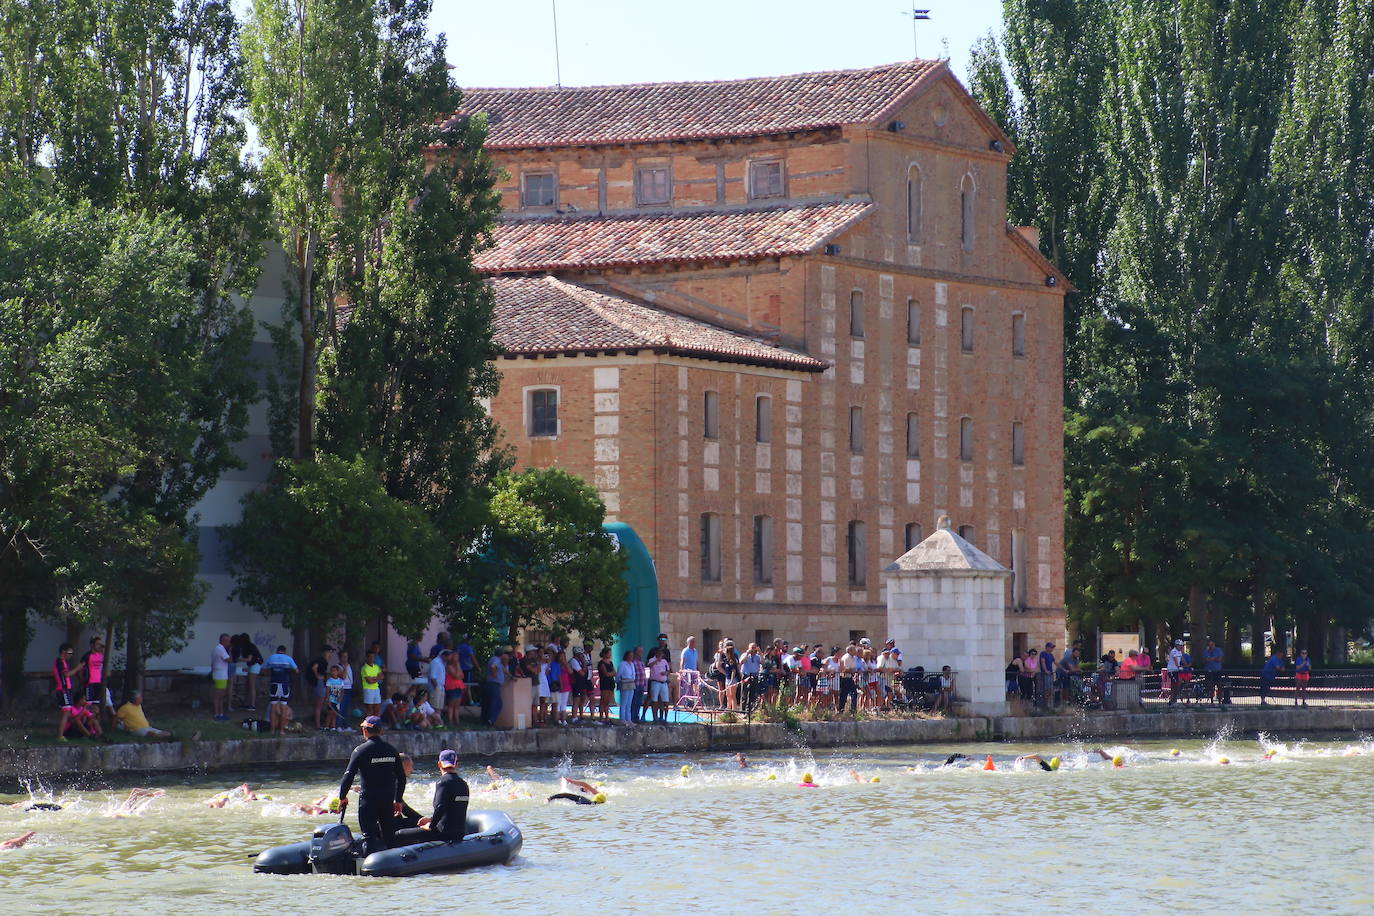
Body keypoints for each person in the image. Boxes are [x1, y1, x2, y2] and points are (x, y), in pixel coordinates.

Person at [337, 716, 406, 855]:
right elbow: (402, 777)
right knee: (389, 835)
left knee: (369, 837)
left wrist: (342, 796)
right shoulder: (391, 750)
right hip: (387, 800)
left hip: (368, 800)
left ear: (364, 731)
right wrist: (398, 800)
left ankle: (370, 871)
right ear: (381, 731)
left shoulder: (360, 751)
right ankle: (394, 868)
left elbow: (348, 775)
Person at [392, 749, 470, 846]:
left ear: (439, 765)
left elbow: (440, 806)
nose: (412, 770)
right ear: (457, 764)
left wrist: (431, 825)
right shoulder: (464, 784)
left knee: (399, 834)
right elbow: (451, 809)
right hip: (459, 833)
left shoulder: (443, 782)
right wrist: (429, 819)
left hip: (442, 833)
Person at [52, 643, 86, 741]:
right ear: (63, 651)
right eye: (69, 652)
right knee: (66, 712)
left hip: (65, 690)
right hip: (63, 690)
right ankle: (60, 736)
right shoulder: (59, 661)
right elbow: (66, 674)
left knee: (65, 712)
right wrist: (78, 668)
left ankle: (61, 733)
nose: (71, 655)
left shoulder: (63, 662)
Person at [265, 646, 297, 735]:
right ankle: (281, 731)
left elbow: (263, 670)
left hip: (274, 684)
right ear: (285, 651)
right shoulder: (288, 659)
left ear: (277, 650)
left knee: (273, 707)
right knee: (283, 708)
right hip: (284, 685)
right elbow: (297, 670)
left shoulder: (271, 657)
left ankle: (272, 730)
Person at [235, 633, 264, 711]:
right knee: (248, 685)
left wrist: (239, 659)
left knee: (251, 685)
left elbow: (249, 659)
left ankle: (252, 705)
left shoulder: (249, 646)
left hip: (255, 665)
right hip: (253, 666)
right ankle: (246, 704)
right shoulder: (249, 646)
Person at [481, 648, 507, 727]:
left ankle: (485, 720)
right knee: (497, 703)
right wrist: (494, 675)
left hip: (490, 684)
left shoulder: (493, 659)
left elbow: (504, 669)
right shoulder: (497, 660)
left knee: (489, 703)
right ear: (502, 654)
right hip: (494, 684)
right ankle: (491, 720)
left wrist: (511, 676)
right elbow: (493, 667)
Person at [308, 646, 331, 729]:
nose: (330, 654)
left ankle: (318, 723)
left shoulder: (324, 661)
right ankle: (317, 725)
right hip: (319, 683)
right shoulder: (321, 660)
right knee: (319, 705)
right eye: (329, 651)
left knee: (319, 705)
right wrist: (318, 676)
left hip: (321, 683)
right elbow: (314, 667)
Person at [211, 633, 232, 720]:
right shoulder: (221, 649)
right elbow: (229, 660)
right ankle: (217, 714)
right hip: (220, 675)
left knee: (220, 696)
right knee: (219, 696)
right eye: (228, 641)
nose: (229, 643)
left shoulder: (217, 648)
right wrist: (230, 651)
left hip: (219, 674)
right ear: (224, 641)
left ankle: (220, 713)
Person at [648, 645, 671, 722]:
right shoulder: (652, 660)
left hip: (663, 682)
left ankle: (665, 718)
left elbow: (668, 671)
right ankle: (655, 717)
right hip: (655, 682)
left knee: (665, 701)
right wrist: (657, 660)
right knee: (655, 700)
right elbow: (649, 665)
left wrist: (666, 673)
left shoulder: (664, 661)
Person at [442, 649, 465, 726]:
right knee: (451, 705)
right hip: (452, 687)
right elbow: (455, 676)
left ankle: (457, 721)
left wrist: (458, 669)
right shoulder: (449, 666)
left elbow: (462, 676)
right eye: (455, 656)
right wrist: (458, 666)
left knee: (457, 706)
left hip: (459, 686)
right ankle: (450, 721)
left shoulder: (457, 666)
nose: (457, 658)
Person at [361, 649, 384, 720]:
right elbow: (369, 681)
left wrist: (374, 678)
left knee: (377, 708)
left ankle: (376, 724)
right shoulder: (364, 668)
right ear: (367, 658)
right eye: (370, 657)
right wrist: (377, 678)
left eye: (373, 657)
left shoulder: (376, 667)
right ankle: (368, 725)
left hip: (376, 689)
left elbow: (382, 676)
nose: (371, 659)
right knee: (369, 709)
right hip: (368, 689)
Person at [616, 650, 637, 723]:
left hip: (631, 682)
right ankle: (622, 719)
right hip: (625, 682)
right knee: (624, 702)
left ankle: (629, 719)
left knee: (629, 703)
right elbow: (619, 674)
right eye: (630, 655)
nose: (631, 657)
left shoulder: (632, 664)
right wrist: (618, 681)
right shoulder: (622, 664)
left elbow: (634, 673)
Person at [1203, 638, 1225, 705]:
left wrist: (1213, 658)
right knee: (1210, 686)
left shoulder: (1218, 650)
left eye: (1212, 645)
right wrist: (1213, 659)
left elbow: (1219, 659)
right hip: (1208, 671)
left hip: (1217, 670)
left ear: (1214, 644)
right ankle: (1211, 701)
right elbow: (1205, 660)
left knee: (1219, 685)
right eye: (1209, 645)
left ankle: (1220, 700)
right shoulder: (1205, 651)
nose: (1211, 646)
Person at [596, 647, 616, 722]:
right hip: (605, 683)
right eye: (608, 653)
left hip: (611, 683)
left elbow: (615, 672)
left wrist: (611, 673)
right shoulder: (601, 663)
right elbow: (606, 674)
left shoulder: (610, 662)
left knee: (608, 701)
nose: (610, 654)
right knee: (603, 701)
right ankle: (601, 717)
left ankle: (607, 716)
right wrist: (611, 673)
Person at [324, 664, 345, 730]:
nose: (333, 672)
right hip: (331, 699)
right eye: (332, 671)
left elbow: (342, 691)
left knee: (335, 714)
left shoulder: (341, 681)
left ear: (338, 672)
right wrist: (327, 698)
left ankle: (333, 727)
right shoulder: (329, 681)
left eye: (335, 671)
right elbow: (327, 690)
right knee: (330, 713)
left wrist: (340, 699)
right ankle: (327, 726)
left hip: (337, 700)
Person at [337, 649, 355, 725]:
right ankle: (338, 725)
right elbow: (343, 677)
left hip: (349, 688)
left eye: (346, 657)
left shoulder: (349, 666)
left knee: (346, 708)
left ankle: (345, 725)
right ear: (340, 658)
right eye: (343, 657)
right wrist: (345, 668)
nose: (345, 659)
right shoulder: (338, 667)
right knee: (341, 707)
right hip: (342, 689)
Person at [1166, 639, 1185, 706]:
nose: (1181, 647)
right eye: (1180, 646)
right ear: (1176, 645)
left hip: (1176, 671)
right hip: (1172, 670)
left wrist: (1187, 665)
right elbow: (1175, 660)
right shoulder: (1173, 651)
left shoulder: (1179, 652)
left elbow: (1182, 659)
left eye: (1182, 646)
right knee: (1175, 684)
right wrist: (1179, 666)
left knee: (1178, 684)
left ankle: (1174, 699)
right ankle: (1172, 700)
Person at [1038, 642, 1057, 707]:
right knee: (1046, 689)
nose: (1052, 649)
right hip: (1045, 674)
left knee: (1050, 689)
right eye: (1051, 647)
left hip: (1050, 674)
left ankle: (1049, 703)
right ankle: (1045, 704)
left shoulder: (1051, 655)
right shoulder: (1043, 654)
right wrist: (1045, 670)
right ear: (1047, 647)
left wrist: (1064, 669)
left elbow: (1055, 662)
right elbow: (1042, 662)